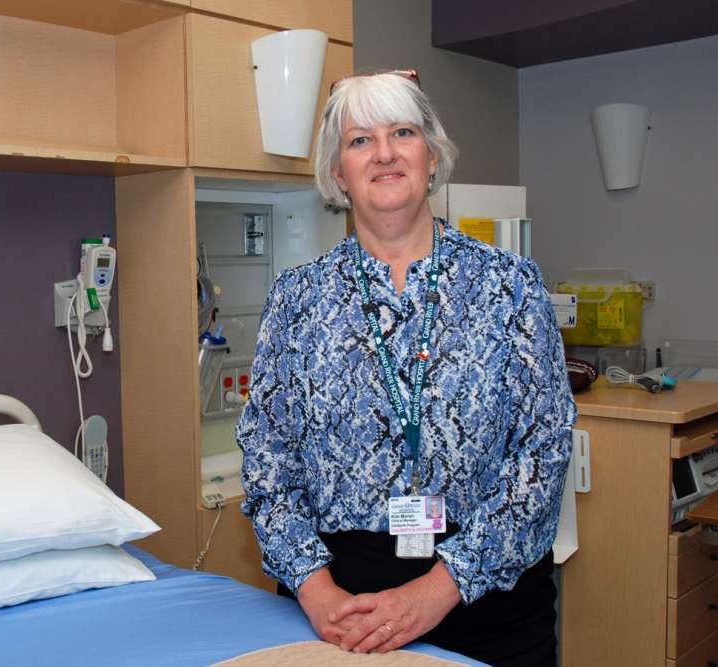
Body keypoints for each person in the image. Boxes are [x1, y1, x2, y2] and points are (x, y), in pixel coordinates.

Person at [236, 70, 576, 666]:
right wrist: (316, 593)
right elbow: (268, 466)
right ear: (337, 171)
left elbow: (542, 457)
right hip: (341, 607)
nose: (385, 153)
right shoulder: (296, 299)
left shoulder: (510, 286)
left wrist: (437, 590)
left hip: (488, 600)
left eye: (402, 132)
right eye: (359, 140)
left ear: (432, 156)